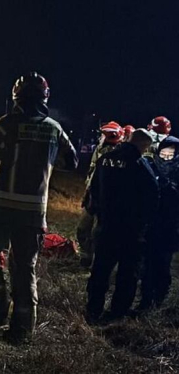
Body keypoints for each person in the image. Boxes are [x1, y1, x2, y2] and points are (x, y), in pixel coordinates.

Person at [0, 72, 77, 344]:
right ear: (45, 97)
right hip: (33, 213)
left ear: (16, 96)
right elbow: (71, 161)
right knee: (24, 267)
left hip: (2, 209)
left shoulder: (7, 125)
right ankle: (21, 330)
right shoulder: (54, 128)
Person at [84, 129, 157, 324]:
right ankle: (116, 313)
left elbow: (94, 190)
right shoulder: (141, 165)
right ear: (143, 146)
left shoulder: (105, 159)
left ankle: (92, 310)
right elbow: (152, 195)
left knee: (100, 270)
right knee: (127, 274)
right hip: (130, 231)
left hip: (106, 226)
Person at [139, 136, 179, 310]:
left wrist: (169, 188)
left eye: (171, 152)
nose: (166, 155)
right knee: (147, 264)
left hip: (170, 225)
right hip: (151, 223)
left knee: (163, 263)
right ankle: (146, 300)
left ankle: (158, 300)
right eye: (164, 151)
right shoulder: (151, 166)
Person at [76, 121, 124, 267]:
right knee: (83, 228)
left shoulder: (122, 153)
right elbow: (92, 172)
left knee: (99, 232)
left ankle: (98, 261)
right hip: (93, 195)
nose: (105, 138)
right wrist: (87, 192)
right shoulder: (99, 149)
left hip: (107, 199)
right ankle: (86, 255)